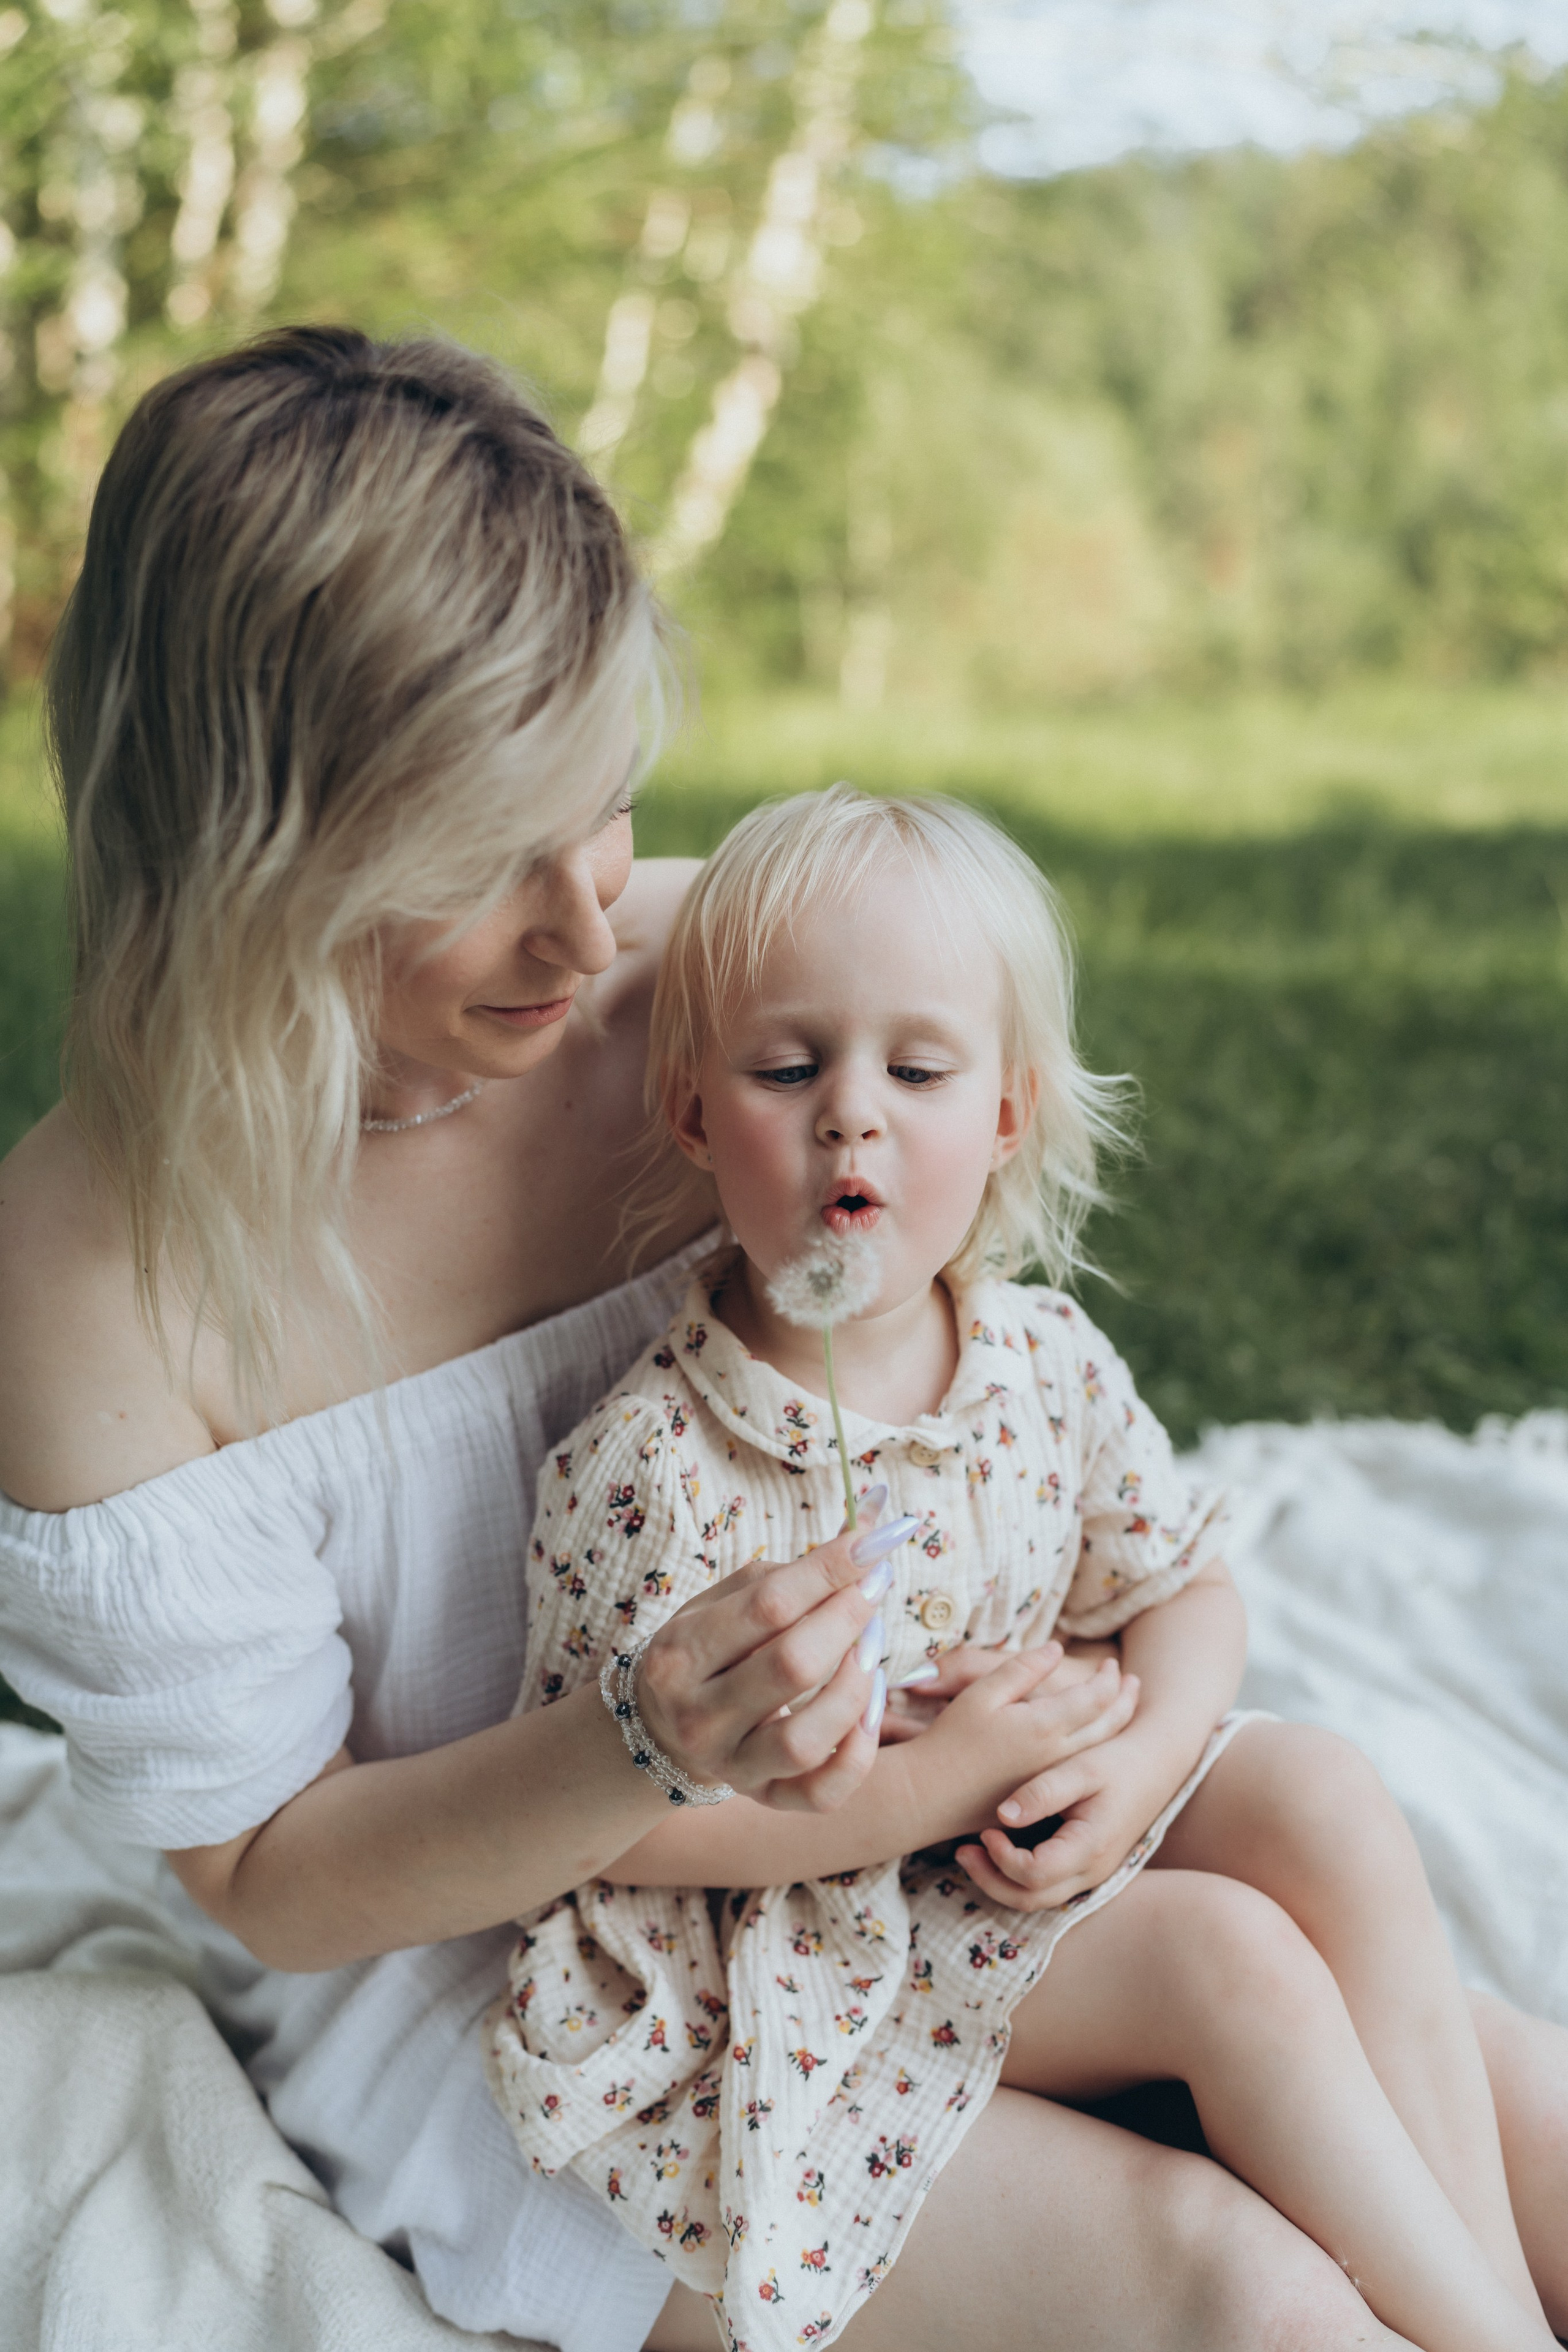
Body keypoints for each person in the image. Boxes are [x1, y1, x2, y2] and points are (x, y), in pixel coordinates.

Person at [0, 327, 1561, 2352]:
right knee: (1234, 2285)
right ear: (247, 861)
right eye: (480, 864)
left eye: (610, 800)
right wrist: (648, 1738)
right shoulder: (89, 1284)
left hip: (918, 1811)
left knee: (1461, 2056)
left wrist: (1068, 1729)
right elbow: (284, 1880)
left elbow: (961, 1244)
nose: (592, 926)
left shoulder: (701, 988)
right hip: (530, 1977)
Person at [484, 786, 1562, 2352]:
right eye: (789, 1069)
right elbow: (604, 1837)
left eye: (914, 1071)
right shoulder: (655, 1464)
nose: (851, 1114)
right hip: (811, 1942)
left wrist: (1137, 1758)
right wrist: (943, 1777)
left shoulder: (1031, 1361)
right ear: (695, 1113)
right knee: (1228, 1957)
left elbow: (1181, 1592)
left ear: (1000, 1113)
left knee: (1314, 1789)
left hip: (1025, 1859)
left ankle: (1472, 2292)